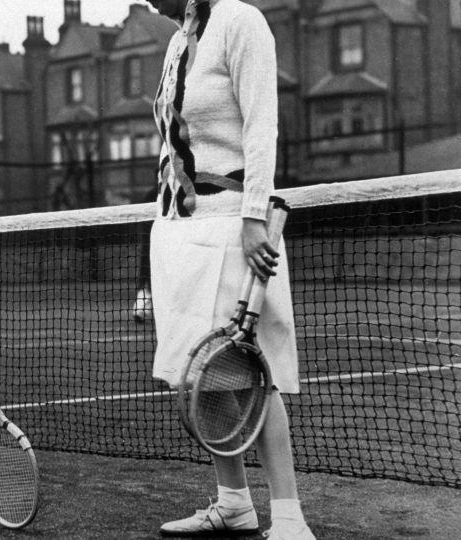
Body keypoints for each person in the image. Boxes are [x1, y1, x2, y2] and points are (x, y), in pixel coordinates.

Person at [144, 1, 315, 539]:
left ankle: (289, 519)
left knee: (251, 374)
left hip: (233, 226)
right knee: (205, 375)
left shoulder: (240, 22)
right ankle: (234, 503)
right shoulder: (177, 43)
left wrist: (252, 217)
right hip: (179, 229)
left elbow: (263, 125)